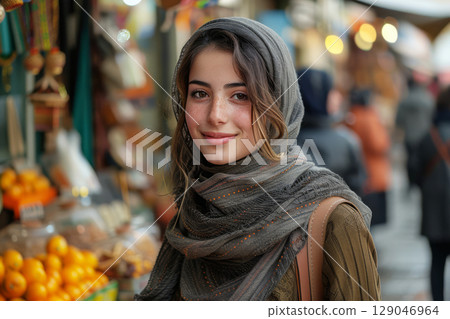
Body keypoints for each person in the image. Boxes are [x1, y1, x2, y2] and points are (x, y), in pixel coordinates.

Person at [136, 17, 380, 301]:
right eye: (200, 93)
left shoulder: (332, 221)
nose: (215, 115)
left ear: (278, 102)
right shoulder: (194, 211)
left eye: (240, 95)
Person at [296, 68, 367, 196]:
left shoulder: (280, 140)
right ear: (318, 95)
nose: (338, 97)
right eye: (332, 91)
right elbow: (357, 189)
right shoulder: (345, 141)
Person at [410, 86, 450, 301]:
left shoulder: (428, 137)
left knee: (436, 262)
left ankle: (438, 307)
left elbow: (414, 171)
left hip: (434, 212)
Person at [345, 88, 391, 226]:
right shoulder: (368, 118)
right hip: (373, 172)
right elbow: (379, 145)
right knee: (372, 216)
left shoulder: (350, 116)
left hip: (359, 173)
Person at [396, 72, 434, 189]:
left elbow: (399, 120)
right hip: (424, 136)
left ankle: (411, 182)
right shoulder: (428, 98)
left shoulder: (405, 99)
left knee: (410, 160)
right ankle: (421, 181)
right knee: (422, 160)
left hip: (410, 136)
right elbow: (433, 117)